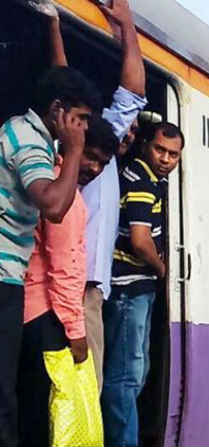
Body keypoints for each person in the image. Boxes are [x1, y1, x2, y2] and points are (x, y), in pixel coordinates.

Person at [46, 0, 148, 392]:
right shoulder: (71, 151)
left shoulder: (101, 144)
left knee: (84, 393)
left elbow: (134, 92)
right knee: (79, 393)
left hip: (91, 291)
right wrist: (54, 24)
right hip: (74, 288)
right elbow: (62, 83)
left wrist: (128, 25)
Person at [0, 65, 100, 446]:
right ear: (57, 110)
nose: (83, 130)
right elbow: (54, 205)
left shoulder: (32, 138)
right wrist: (73, 151)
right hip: (4, 274)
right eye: (81, 120)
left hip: (11, 274)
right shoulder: (27, 140)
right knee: (7, 397)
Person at [16, 114, 118, 446]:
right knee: (50, 417)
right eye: (90, 156)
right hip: (48, 317)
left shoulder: (52, 185)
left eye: (103, 163)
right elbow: (64, 267)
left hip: (32, 312)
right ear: (73, 147)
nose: (95, 168)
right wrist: (76, 332)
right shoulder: (66, 198)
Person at [101, 122, 184, 446]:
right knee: (124, 378)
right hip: (130, 288)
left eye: (173, 154)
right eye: (160, 150)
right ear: (146, 145)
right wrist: (163, 268)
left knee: (135, 371)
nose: (165, 159)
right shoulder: (143, 182)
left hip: (136, 289)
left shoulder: (145, 177)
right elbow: (139, 240)